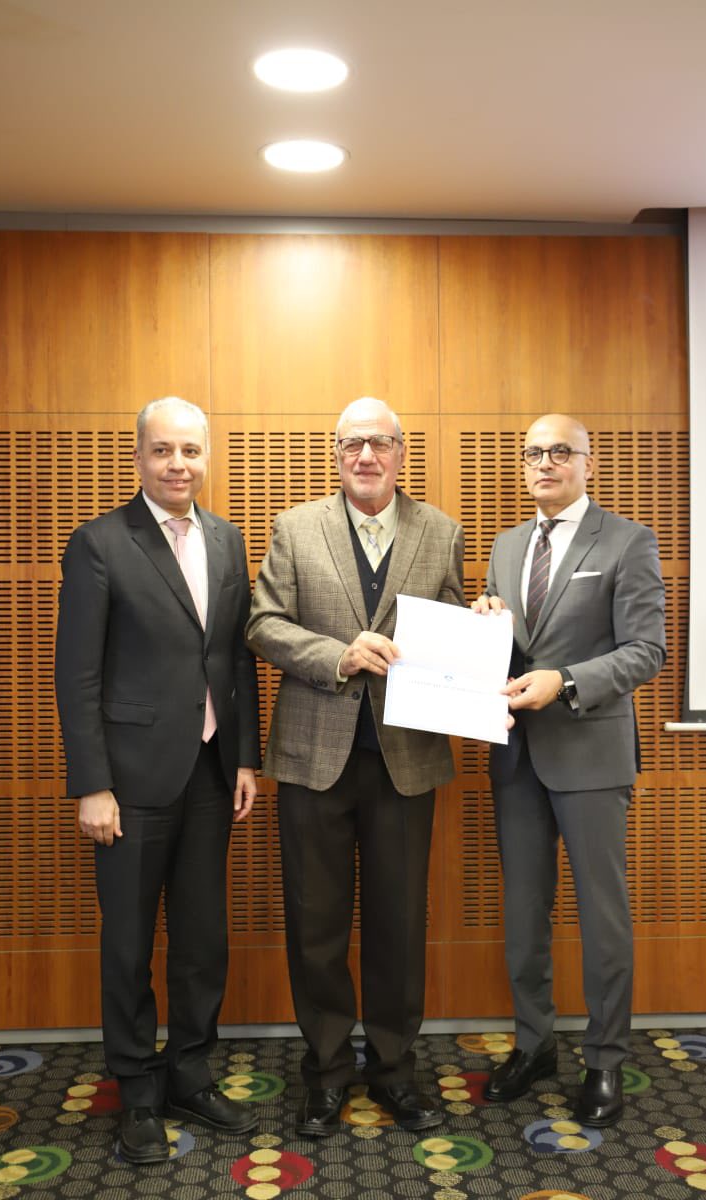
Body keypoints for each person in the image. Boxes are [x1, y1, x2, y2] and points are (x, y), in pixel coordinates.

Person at [246, 396, 465, 1138]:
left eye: (379, 443)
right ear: (335, 454)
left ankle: (395, 1071)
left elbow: (452, 630)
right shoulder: (295, 528)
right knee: (316, 927)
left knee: (400, 926)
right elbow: (263, 624)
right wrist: (337, 655)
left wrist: (483, 621)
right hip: (313, 757)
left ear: (401, 451)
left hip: (407, 758)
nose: (365, 456)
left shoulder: (441, 531)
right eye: (351, 444)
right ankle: (327, 1072)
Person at [54, 397, 261, 1164]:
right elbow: (76, 674)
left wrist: (245, 758)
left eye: (191, 451)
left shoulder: (227, 540)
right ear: (139, 457)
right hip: (130, 781)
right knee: (129, 944)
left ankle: (190, 1072)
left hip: (210, 771)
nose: (179, 464)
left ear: (207, 457)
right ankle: (137, 1090)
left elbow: (236, 658)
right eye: (163, 450)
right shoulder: (100, 543)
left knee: (203, 940)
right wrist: (92, 784)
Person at [473, 413, 666, 1128]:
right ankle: (534, 1046)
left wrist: (568, 681)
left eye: (561, 451)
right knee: (525, 914)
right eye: (534, 452)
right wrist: (485, 622)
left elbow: (646, 650)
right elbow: (509, 649)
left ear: (588, 463)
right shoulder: (507, 545)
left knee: (601, 915)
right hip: (515, 754)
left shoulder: (627, 541)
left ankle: (605, 1059)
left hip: (590, 751)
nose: (546, 463)